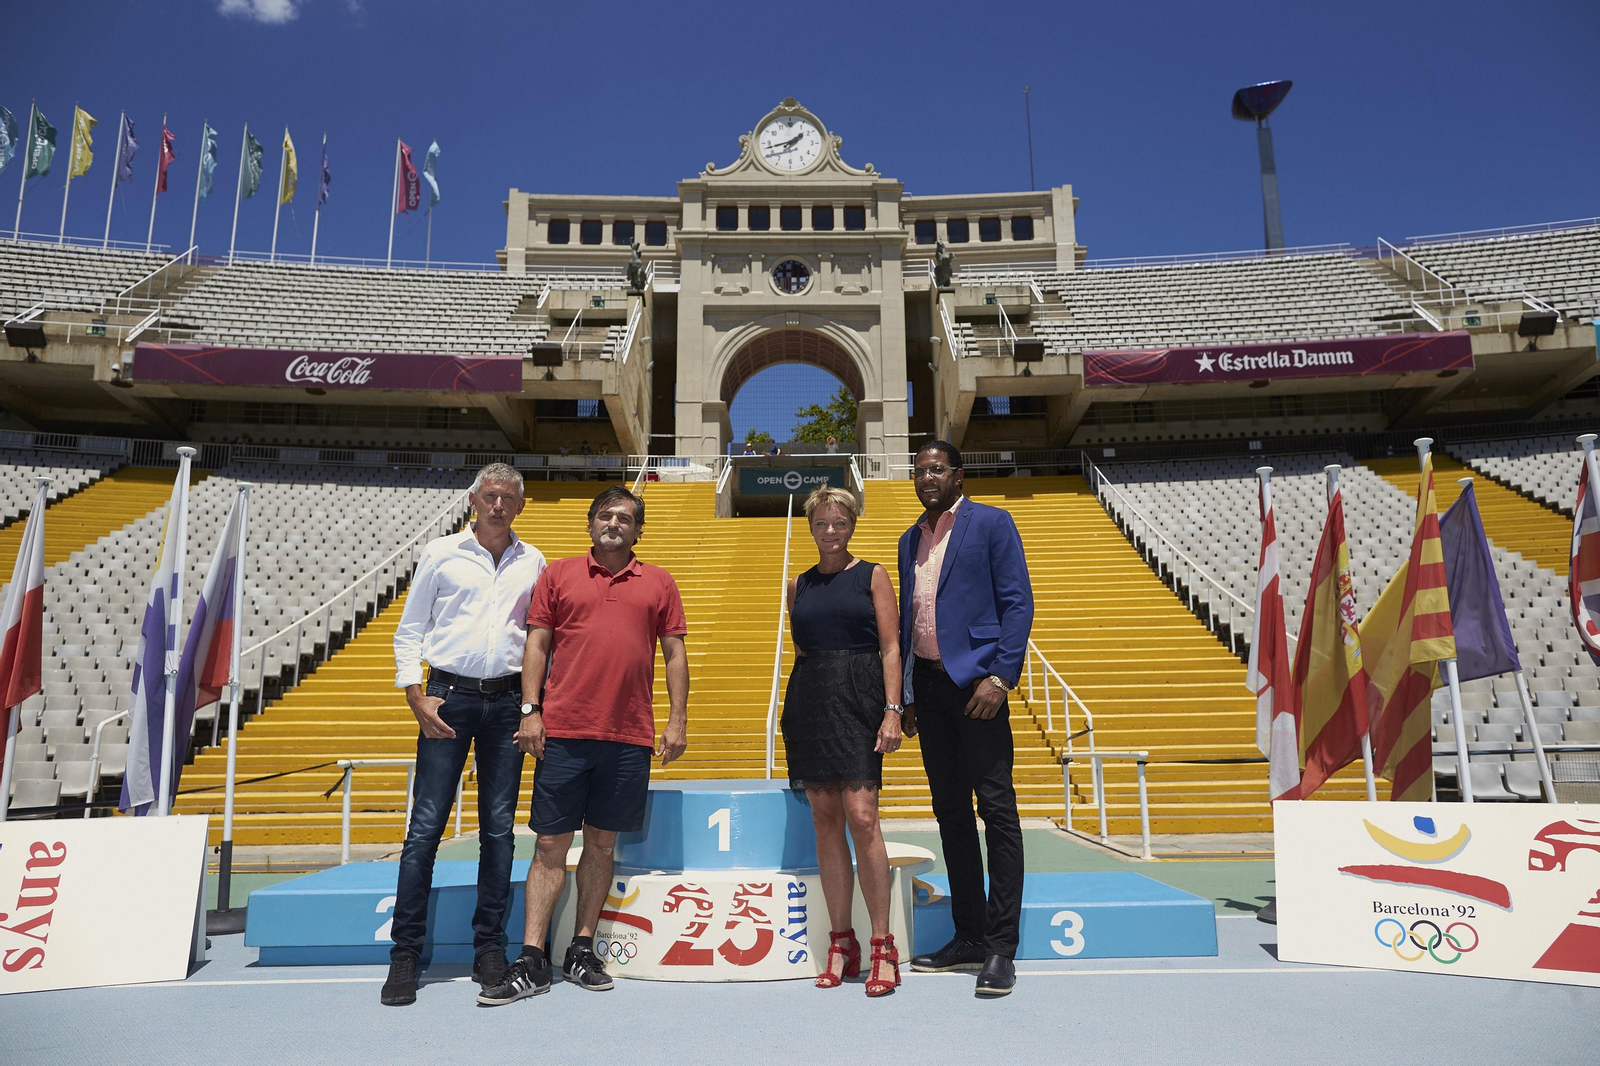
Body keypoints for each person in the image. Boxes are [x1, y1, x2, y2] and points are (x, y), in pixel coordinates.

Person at [479, 486, 690, 1005]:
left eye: (625, 518)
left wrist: (677, 720)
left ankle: (580, 947)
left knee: (601, 844)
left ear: (638, 530)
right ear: (590, 523)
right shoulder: (558, 575)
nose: (614, 523)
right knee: (550, 844)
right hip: (565, 732)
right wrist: (530, 710)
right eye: (605, 515)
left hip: (629, 734)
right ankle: (531, 957)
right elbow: (537, 644)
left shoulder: (660, 582)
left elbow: (674, 654)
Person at [385, 463, 546, 1007]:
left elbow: (537, 643)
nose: (498, 505)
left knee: (499, 830)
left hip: (506, 703)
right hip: (448, 696)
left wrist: (532, 707)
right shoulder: (440, 553)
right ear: (474, 499)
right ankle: (405, 953)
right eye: (490, 496)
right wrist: (416, 695)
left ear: (520, 506)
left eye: (508, 498)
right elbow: (409, 631)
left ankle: (489, 949)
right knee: (425, 826)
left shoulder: (535, 562)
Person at [898, 441, 1033, 997]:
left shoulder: (992, 523)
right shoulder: (911, 538)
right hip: (928, 689)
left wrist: (1000, 678)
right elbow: (911, 620)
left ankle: (1001, 948)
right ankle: (968, 936)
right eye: (919, 470)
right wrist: (905, 692)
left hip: (979, 685)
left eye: (937, 468)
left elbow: (1017, 603)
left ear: (958, 473)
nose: (927, 477)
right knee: (951, 813)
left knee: (997, 811)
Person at [781, 486, 904, 996]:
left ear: (852, 525)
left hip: (860, 698)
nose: (830, 532)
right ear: (810, 527)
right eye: (821, 524)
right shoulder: (797, 585)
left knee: (863, 816)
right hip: (811, 700)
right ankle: (840, 942)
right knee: (825, 821)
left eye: (840, 523)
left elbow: (892, 647)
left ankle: (882, 945)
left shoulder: (872, 574)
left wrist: (892, 710)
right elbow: (804, 649)